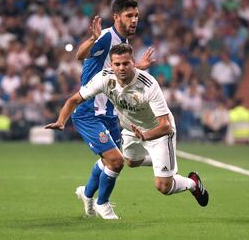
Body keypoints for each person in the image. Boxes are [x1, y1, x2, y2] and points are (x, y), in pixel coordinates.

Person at [46, 44, 209, 217]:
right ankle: (160, 161)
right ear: (111, 65)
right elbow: (73, 100)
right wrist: (61, 121)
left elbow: (165, 125)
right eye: (117, 64)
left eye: (125, 63)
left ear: (133, 63)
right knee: (130, 161)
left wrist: (145, 136)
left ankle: (192, 183)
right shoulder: (104, 78)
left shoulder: (148, 84)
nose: (121, 68)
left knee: (163, 187)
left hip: (158, 131)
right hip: (132, 129)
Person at [70, 0, 155, 219]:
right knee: (116, 161)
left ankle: (87, 194)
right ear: (116, 17)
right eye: (129, 15)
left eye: (136, 15)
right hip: (90, 109)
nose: (134, 19)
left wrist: (138, 67)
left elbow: (114, 71)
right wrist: (92, 39)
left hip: (109, 111)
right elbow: (80, 55)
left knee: (108, 160)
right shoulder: (107, 36)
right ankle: (103, 203)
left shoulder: (123, 43)